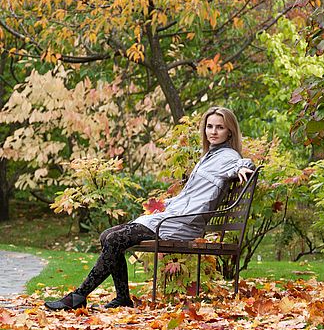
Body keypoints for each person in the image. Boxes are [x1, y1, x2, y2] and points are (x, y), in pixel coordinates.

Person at [45, 106, 255, 311]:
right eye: (210, 126)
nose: (213, 131)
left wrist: (242, 167)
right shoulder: (210, 155)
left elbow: (237, 163)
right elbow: (191, 195)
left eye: (219, 127)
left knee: (113, 239)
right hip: (174, 216)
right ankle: (122, 298)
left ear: (230, 131)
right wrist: (167, 205)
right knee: (107, 235)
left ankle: (79, 296)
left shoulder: (226, 156)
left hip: (183, 224)